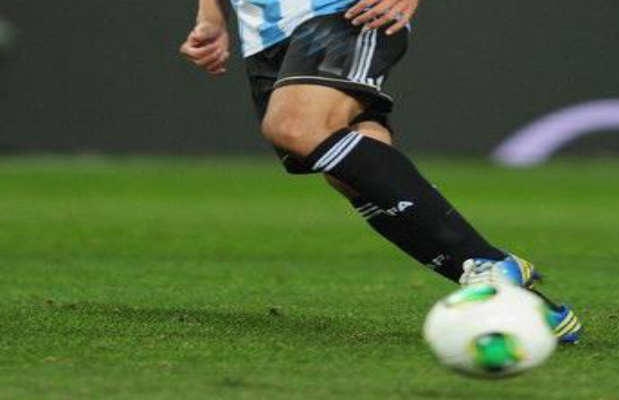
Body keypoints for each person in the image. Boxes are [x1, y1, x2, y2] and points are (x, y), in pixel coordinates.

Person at [180, 0, 581, 342]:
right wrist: (211, 16)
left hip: (343, 13)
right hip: (264, 38)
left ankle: (490, 262)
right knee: (351, 170)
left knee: (295, 127)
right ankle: (528, 309)